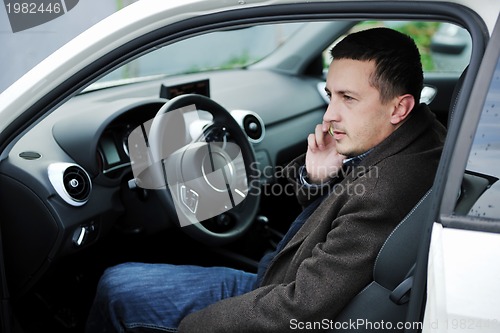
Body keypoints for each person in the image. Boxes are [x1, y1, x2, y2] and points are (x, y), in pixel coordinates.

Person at [85, 27, 446, 332]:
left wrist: (196, 324)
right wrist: (315, 178)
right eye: (329, 95)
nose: (330, 114)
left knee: (116, 287)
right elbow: (335, 222)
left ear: (399, 107)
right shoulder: (423, 141)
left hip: (280, 295)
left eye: (348, 99)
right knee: (119, 283)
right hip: (281, 278)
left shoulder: (387, 188)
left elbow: (301, 307)